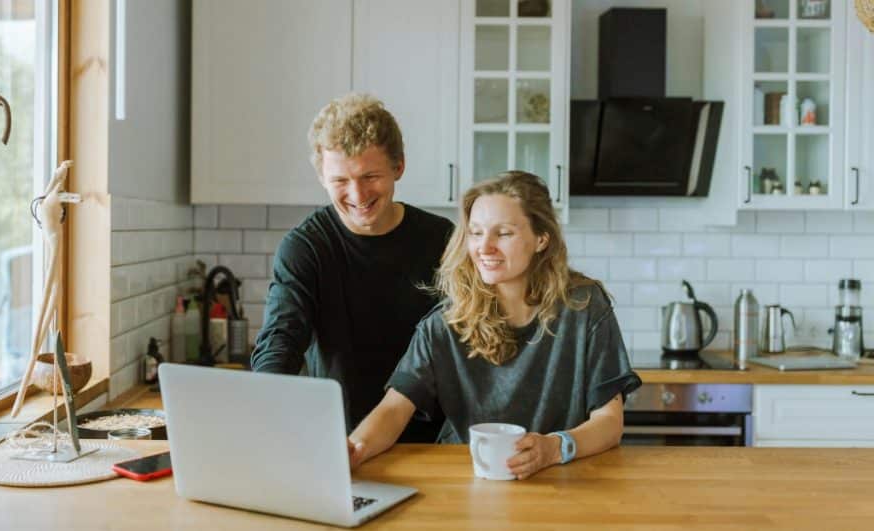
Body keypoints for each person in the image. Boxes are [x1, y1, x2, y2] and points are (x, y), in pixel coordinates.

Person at [347, 171, 641, 479]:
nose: (484, 247)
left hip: (560, 481)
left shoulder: (584, 307)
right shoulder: (446, 323)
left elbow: (610, 422)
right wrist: (355, 449)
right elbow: (394, 409)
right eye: (476, 233)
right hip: (468, 482)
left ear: (541, 238)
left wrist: (553, 448)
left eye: (503, 233)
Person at [250, 93, 454, 442]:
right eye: (341, 181)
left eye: (370, 176)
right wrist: (266, 401)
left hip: (432, 443)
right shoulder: (305, 248)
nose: (358, 195)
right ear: (322, 177)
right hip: (340, 442)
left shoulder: (443, 240)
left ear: (398, 167)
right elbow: (280, 339)